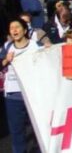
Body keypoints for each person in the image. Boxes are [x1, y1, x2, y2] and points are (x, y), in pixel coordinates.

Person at [1, 18, 40, 153]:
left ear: (24, 30)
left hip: (33, 94)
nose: (14, 30)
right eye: (11, 28)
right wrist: (6, 60)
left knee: (38, 130)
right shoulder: (7, 47)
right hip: (13, 96)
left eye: (17, 27)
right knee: (17, 132)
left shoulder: (36, 46)